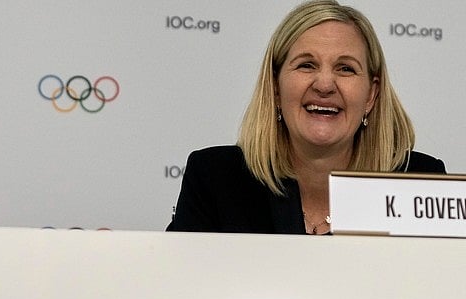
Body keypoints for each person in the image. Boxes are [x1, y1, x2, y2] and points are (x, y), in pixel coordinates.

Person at [166, 0, 445, 234]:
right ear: (275, 87)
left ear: (371, 95)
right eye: (306, 65)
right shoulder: (216, 180)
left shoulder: (421, 182)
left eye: (346, 68)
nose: (324, 84)